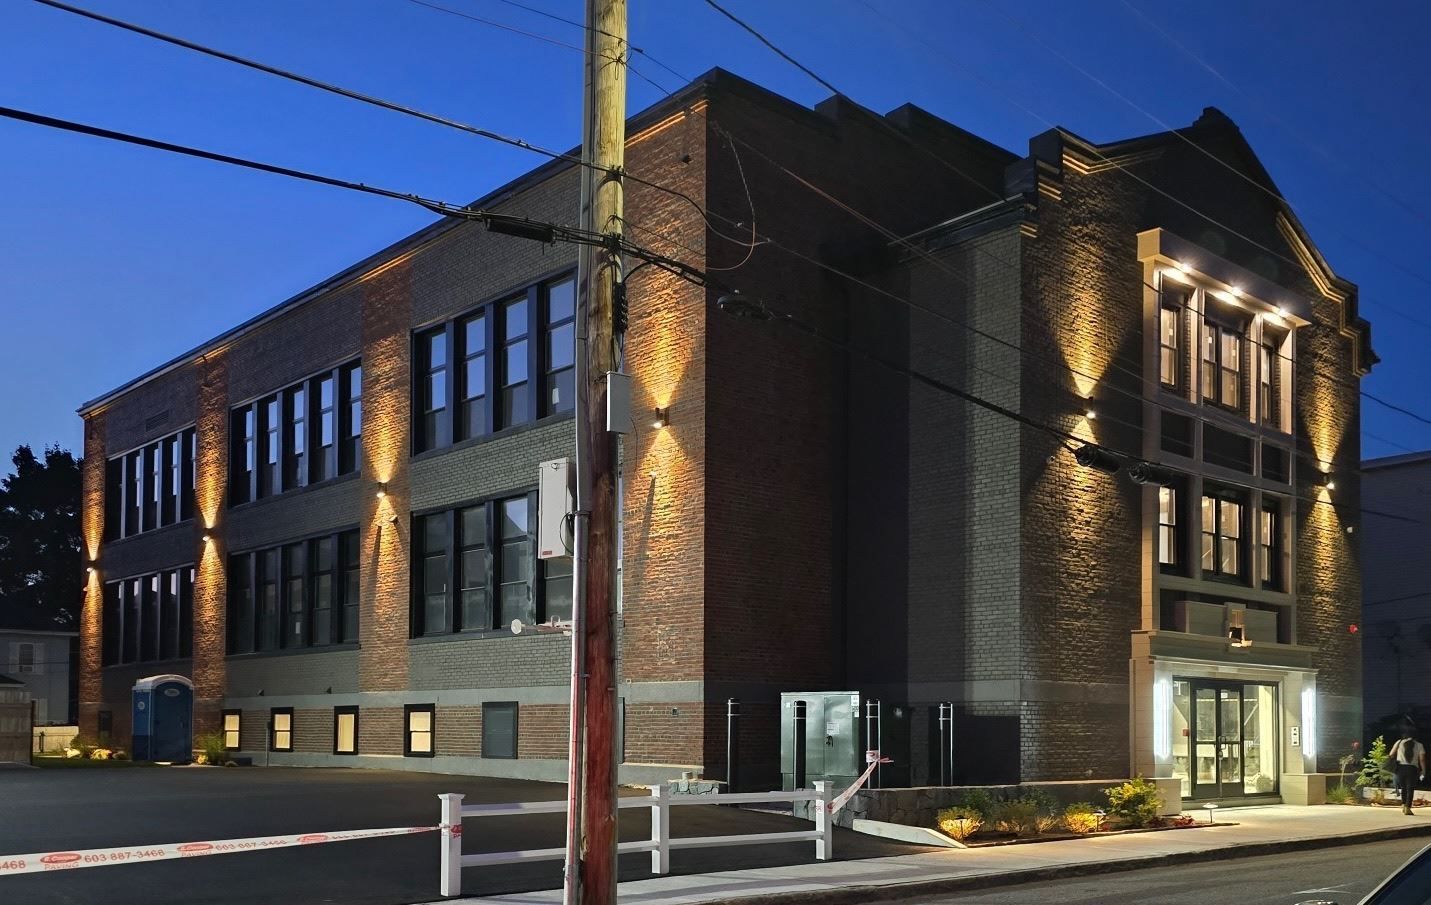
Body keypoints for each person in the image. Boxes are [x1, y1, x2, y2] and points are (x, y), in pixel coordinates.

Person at [1391, 728, 1427, 815]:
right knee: (1410, 788)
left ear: (1405, 735)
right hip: (1412, 769)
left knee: (1403, 788)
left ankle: (1404, 805)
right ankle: (1407, 807)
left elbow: (1391, 754)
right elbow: (1422, 759)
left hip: (1400, 768)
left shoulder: (1399, 742)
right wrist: (1423, 771)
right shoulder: (1419, 745)